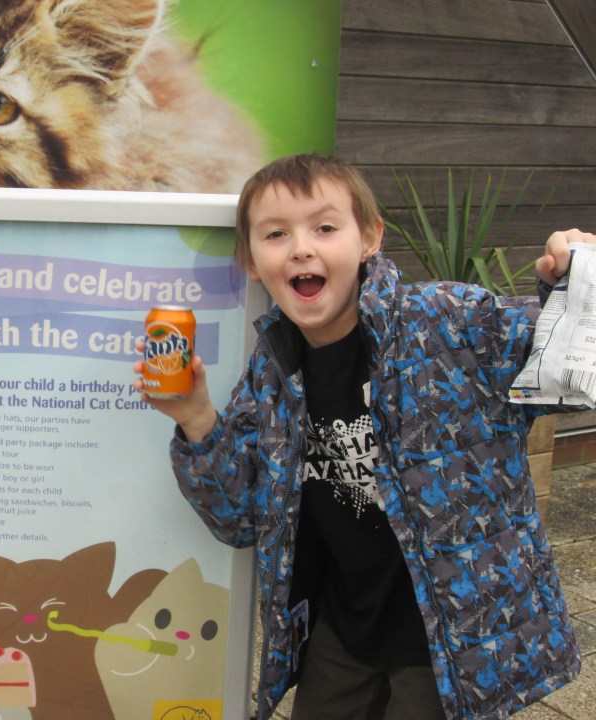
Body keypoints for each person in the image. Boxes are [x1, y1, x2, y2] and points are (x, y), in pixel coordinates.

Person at [135, 153, 591, 720]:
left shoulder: (450, 323)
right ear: (251, 261)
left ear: (370, 238)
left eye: (325, 227)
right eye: (276, 234)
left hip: (455, 642)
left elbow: (569, 370)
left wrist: (575, 286)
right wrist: (197, 417)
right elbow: (242, 519)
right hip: (343, 630)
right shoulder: (271, 373)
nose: (301, 248)